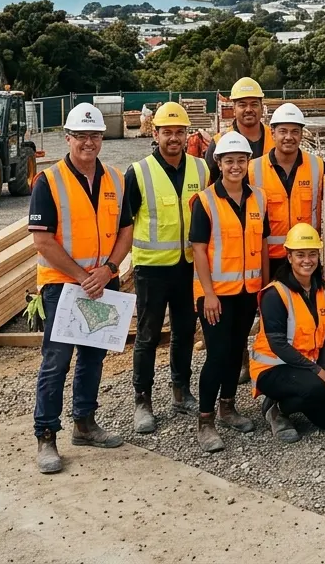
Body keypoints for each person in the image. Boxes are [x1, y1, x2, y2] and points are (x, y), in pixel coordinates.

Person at [29, 103, 132, 474]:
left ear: (102, 138)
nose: (88, 142)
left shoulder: (117, 181)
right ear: (68, 138)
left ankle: (84, 424)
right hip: (62, 286)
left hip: (102, 284)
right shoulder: (49, 181)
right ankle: (46, 435)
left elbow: (126, 232)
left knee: (93, 356)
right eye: (81, 136)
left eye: (95, 135)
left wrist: (107, 270)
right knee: (56, 361)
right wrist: (80, 275)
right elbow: (43, 242)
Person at [121, 102, 207, 435]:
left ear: (187, 135)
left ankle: (180, 390)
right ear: (154, 134)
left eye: (179, 132)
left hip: (187, 268)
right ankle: (142, 399)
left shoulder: (201, 170)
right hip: (152, 270)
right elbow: (125, 224)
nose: (173, 138)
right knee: (147, 335)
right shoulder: (139, 172)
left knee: (185, 330)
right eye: (167, 132)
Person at [189, 130, 269, 453]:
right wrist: (208, 294)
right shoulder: (206, 202)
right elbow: (198, 249)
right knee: (218, 356)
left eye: (241, 160)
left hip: (248, 292)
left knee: (237, 352)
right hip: (216, 296)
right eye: (229, 161)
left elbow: (262, 245)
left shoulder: (258, 198)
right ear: (219, 163)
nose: (235, 166)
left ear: (248, 162)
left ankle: (228, 407)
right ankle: (205, 420)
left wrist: (264, 289)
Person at [250, 223, 325, 441]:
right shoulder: (276, 294)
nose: (307, 260)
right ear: (289, 256)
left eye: (312, 254)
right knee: (317, 389)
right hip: (272, 369)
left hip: (305, 369)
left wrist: (324, 368)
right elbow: (278, 344)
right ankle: (277, 410)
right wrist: (317, 372)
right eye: (300, 254)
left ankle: (290, 399)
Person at [249, 103, 325, 262]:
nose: (289, 137)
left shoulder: (318, 166)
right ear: (273, 133)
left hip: (305, 257)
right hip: (268, 257)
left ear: (301, 135)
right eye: (283, 131)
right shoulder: (252, 169)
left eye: (295, 132)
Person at [206, 76, 271, 185]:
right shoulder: (219, 143)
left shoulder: (275, 139)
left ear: (261, 108)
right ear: (234, 110)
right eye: (242, 105)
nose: (249, 109)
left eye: (254, 104)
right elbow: (210, 186)